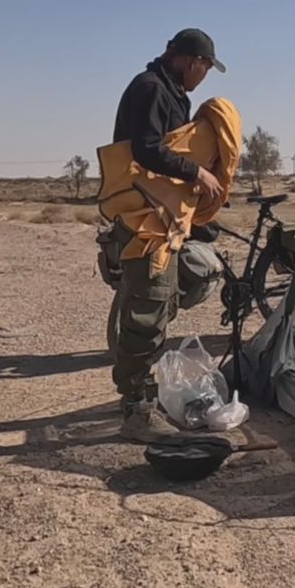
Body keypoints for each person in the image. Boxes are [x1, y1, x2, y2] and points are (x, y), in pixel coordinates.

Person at [109, 28, 228, 439]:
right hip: (144, 223)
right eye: (206, 68)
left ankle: (142, 397)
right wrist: (197, 171)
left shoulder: (172, 93)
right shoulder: (150, 88)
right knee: (146, 314)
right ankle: (135, 409)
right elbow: (146, 149)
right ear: (190, 61)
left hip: (162, 220)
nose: (204, 77)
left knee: (163, 307)